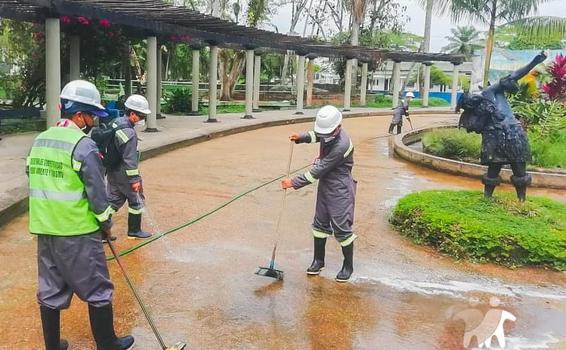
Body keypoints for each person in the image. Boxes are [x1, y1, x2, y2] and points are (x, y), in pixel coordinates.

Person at [27, 80, 134, 350]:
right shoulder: (83, 145)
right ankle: (107, 344)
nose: (93, 121)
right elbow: (98, 195)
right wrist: (106, 225)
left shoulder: (40, 140)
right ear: (79, 114)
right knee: (98, 289)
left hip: (45, 229)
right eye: (92, 115)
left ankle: (53, 346)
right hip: (77, 231)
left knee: (50, 289)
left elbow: (32, 175)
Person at [456, 52, 547, 201]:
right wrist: (487, 113)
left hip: (513, 133)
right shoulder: (478, 110)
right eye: (469, 100)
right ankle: (487, 198)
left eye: (472, 95)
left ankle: (521, 200)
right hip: (494, 137)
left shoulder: (491, 91)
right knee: (493, 169)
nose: (473, 97)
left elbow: (514, 75)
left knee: (519, 169)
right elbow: (476, 128)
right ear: (469, 105)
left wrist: (533, 63)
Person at [281, 105, 357, 282]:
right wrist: (302, 137)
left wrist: (293, 182)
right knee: (320, 223)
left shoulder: (342, 145)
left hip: (340, 188)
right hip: (325, 185)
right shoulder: (328, 133)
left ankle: (348, 266)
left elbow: (317, 171)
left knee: (341, 227)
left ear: (338, 127)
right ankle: (318, 260)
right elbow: (318, 135)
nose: (325, 135)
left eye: (328, 132)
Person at [105, 94, 152, 239]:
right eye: (141, 116)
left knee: (114, 199)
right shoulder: (129, 133)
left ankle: (100, 231)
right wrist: (135, 180)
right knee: (136, 200)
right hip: (124, 173)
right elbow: (130, 160)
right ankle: (134, 230)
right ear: (132, 113)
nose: (142, 119)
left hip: (112, 170)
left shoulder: (116, 122)